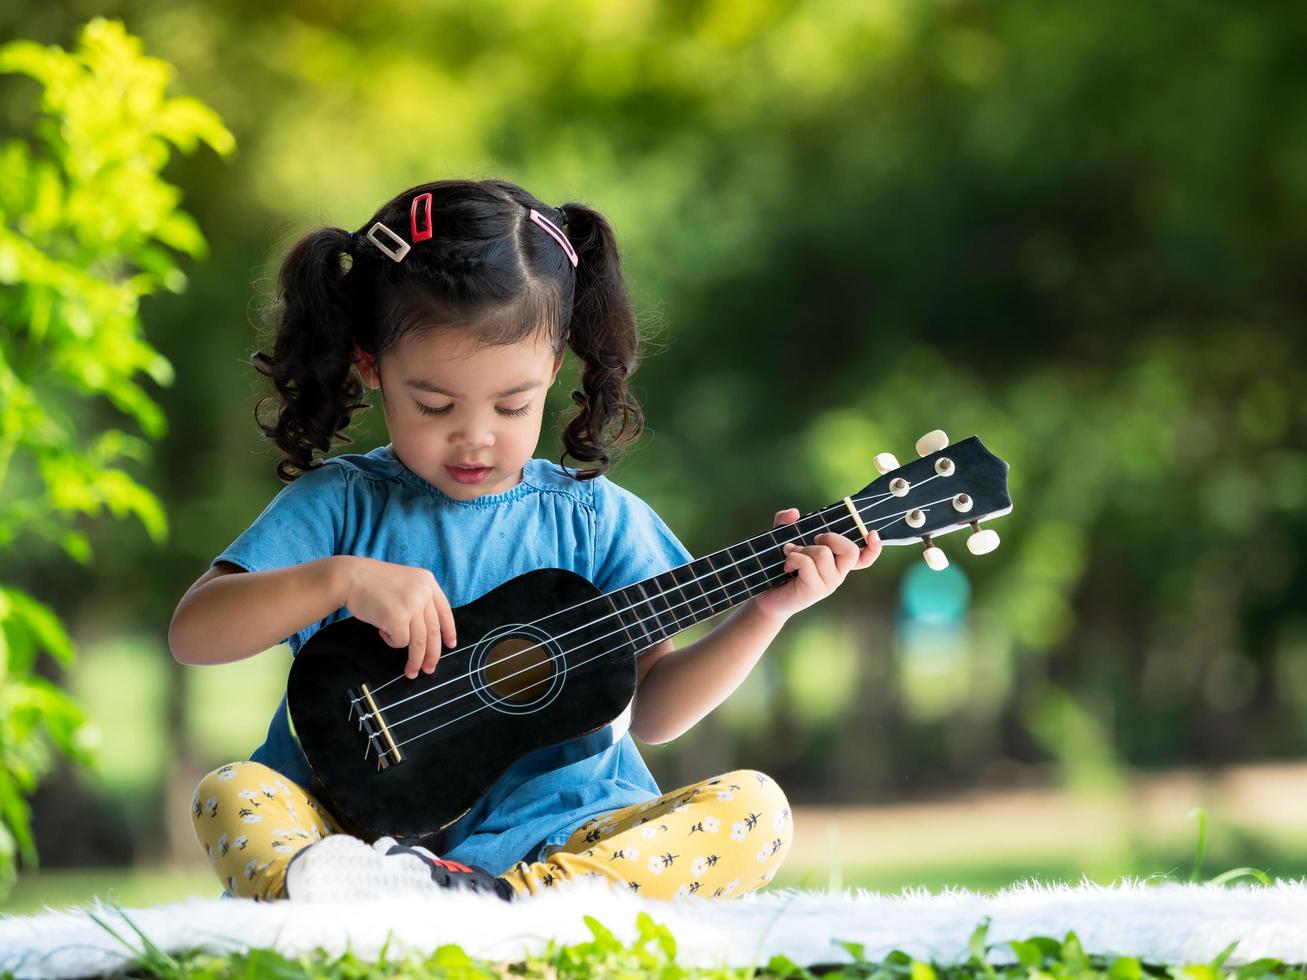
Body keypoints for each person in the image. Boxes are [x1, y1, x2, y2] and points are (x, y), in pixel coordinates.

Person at [169, 177, 881, 903]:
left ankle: (509, 904)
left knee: (753, 810)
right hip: (356, 836)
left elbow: (658, 713)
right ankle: (414, 895)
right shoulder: (340, 505)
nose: (475, 436)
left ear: (553, 368)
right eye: (434, 404)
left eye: (513, 405)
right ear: (370, 367)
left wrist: (767, 612)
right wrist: (340, 581)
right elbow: (195, 634)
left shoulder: (594, 519)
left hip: (564, 835)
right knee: (231, 792)